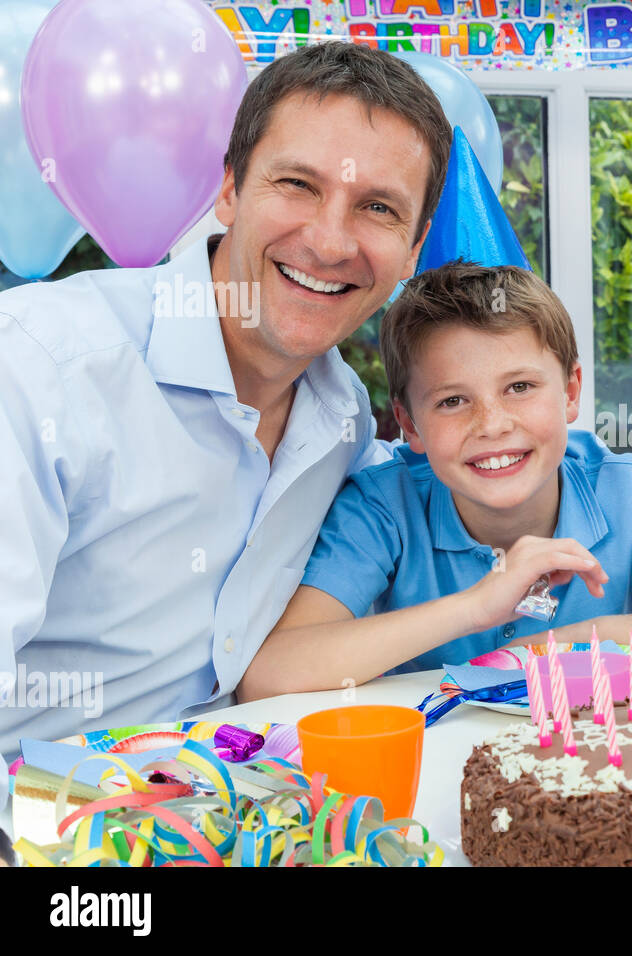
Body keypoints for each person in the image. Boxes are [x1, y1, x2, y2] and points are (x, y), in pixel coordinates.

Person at [0, 42, 453, 759]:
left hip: (233, 808)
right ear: (230, 190)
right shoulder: (41, 369)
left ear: (414, 246)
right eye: (297, 185)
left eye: (377, 207)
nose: (331, 242)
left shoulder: (341, 416)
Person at [238, 261, 632, 699]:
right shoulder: (383, 506)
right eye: (451, 401)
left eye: (519, 387)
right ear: (410, 425)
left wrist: (577, 641)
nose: (492, 425)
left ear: (571, 391)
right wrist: (476, 607)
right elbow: (269, 674)